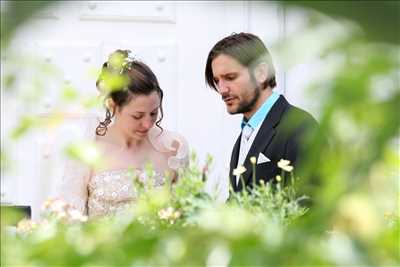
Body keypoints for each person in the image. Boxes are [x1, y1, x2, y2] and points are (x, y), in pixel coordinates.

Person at [59, 49, 189, 218]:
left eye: (153, 113)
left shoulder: (173, 148)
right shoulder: (88, 151)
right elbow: (71, 222)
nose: (147, 123)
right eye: (137, 116)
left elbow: (186, 217)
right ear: (112, 106)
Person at [205, 33, 319, 193]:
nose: (222, 89)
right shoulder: (244, 136)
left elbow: (313, 203)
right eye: (217, 81)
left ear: (261, 72)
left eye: (230, 77)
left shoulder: (300, 127)